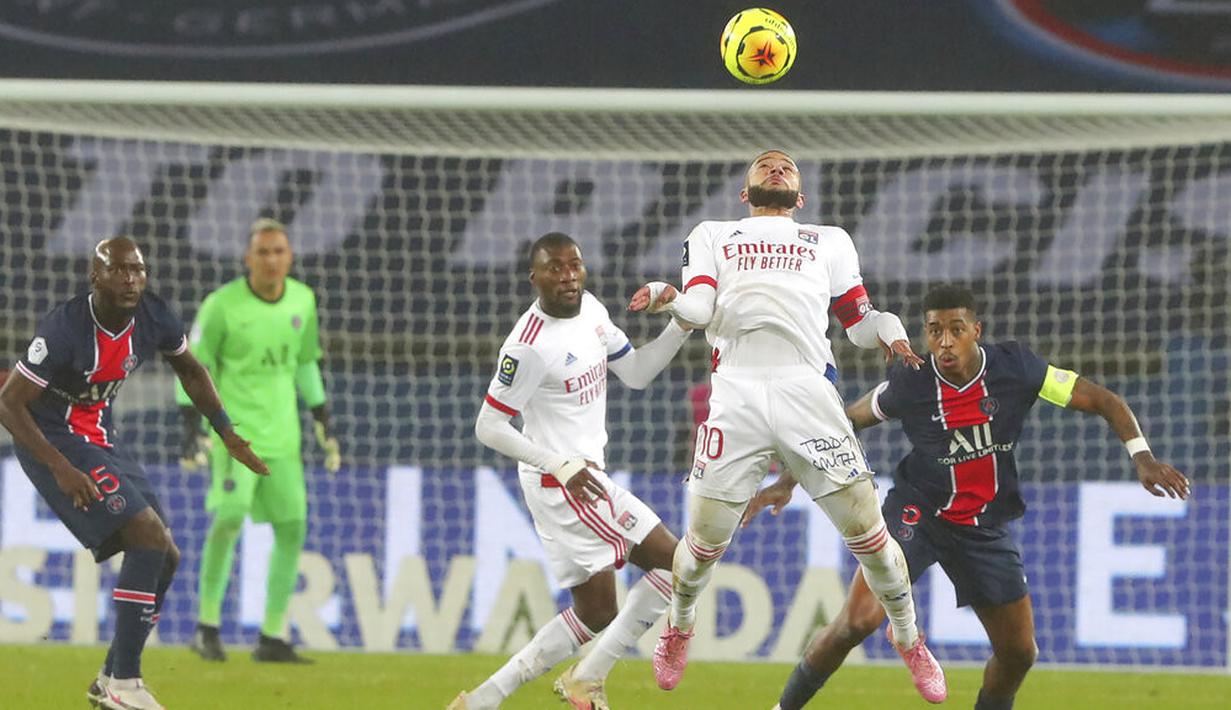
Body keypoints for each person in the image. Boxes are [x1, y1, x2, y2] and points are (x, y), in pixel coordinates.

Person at [744, 284, 1191, 710]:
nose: (944, 341)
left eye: (956, 329)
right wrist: (787, 481)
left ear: (976, 330)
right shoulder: (912, 381)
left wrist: (1143, 457)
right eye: (934, 330)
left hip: (982, 527)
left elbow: (1102, 399)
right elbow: (845, 423)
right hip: (916, 514)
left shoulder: (1016, 368)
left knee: (1019, 653)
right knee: (857, 622)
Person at [630, 149, 946, 701]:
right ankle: (679, 627)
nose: (776, 168)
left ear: (800, 197)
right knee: (703, 544)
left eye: (787, 167)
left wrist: (893, 334)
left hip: (809, 394)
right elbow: (701, 308)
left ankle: (909, 639)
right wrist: (669, 297)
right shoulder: (714, 234)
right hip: (737, 395)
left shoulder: (829, 241)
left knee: (872, 540)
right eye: (764, 165)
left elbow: (858, 322)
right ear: (744, 192)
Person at [0, 237, 268, 710]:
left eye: (138, 271)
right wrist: (59, 468)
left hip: (99, 435)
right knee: (145, 534)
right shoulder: (64, 328)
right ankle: (126, 683)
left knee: (165, 553)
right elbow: (9, 403)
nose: (130, 280)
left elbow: (192, 370)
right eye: (119, 270)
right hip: (52, 438)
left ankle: (109, 678)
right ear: (95, 275)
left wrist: (225, 431)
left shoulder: (155, 316)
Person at [449, 232, 691, 710]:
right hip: (565, 483)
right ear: (534, 277)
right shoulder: (527, 346)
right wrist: (558, 464)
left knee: (598, 610)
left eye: (574, 265)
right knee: (682, 566)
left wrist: (682, 324)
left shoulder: (595, 312)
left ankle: (481, 701)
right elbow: (488, 426)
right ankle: (588, 677)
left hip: (577, 477)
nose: (567, 275)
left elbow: (638, 374)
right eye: (554, 267)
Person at [177, 218, 341, 664]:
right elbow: (193, 366)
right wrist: (191, 427)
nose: (272, 260)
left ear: (289, 257)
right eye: (263, 252)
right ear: (248, 258)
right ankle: (206, 626)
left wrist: (322, 415)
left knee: (293, 528)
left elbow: (305, 362)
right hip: (235, 436)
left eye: (279, 251)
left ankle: (272, 634)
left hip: (284, 439)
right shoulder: (222, 306)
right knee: (229, 517)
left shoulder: (303, 301)